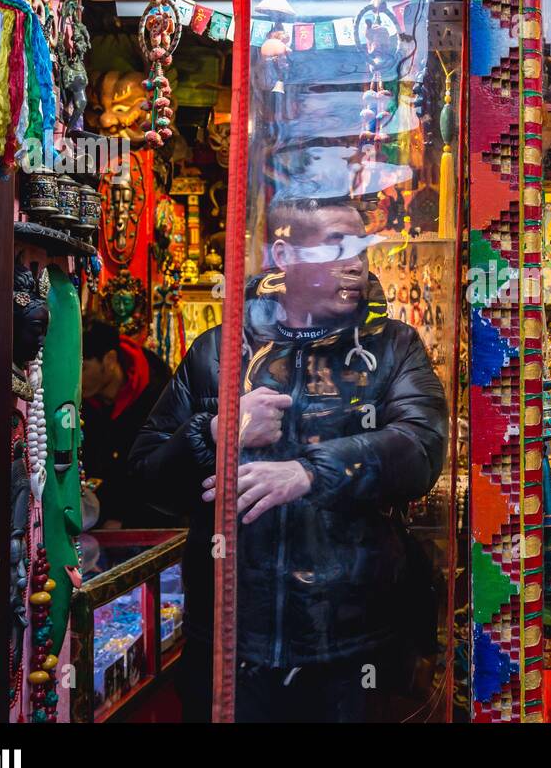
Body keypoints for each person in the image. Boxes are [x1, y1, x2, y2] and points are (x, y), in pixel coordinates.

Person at [129, 192, 447, 722]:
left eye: (360, 246)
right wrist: (217, 431)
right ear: (284, 257)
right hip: (234, 645)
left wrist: (309, 472)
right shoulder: (219, 351)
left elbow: (421, 447)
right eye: (335, 245)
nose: (354, 261)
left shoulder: (393, 347)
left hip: (352, 642)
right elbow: (145, 484)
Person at [80, 321, 173, 528]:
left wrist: (122, 516)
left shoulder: (159, 393)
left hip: (149, 525)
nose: (77, 378)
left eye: (84, 368)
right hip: (92, 523)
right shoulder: (81, 401)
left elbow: (165, 471)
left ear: (110, 360)